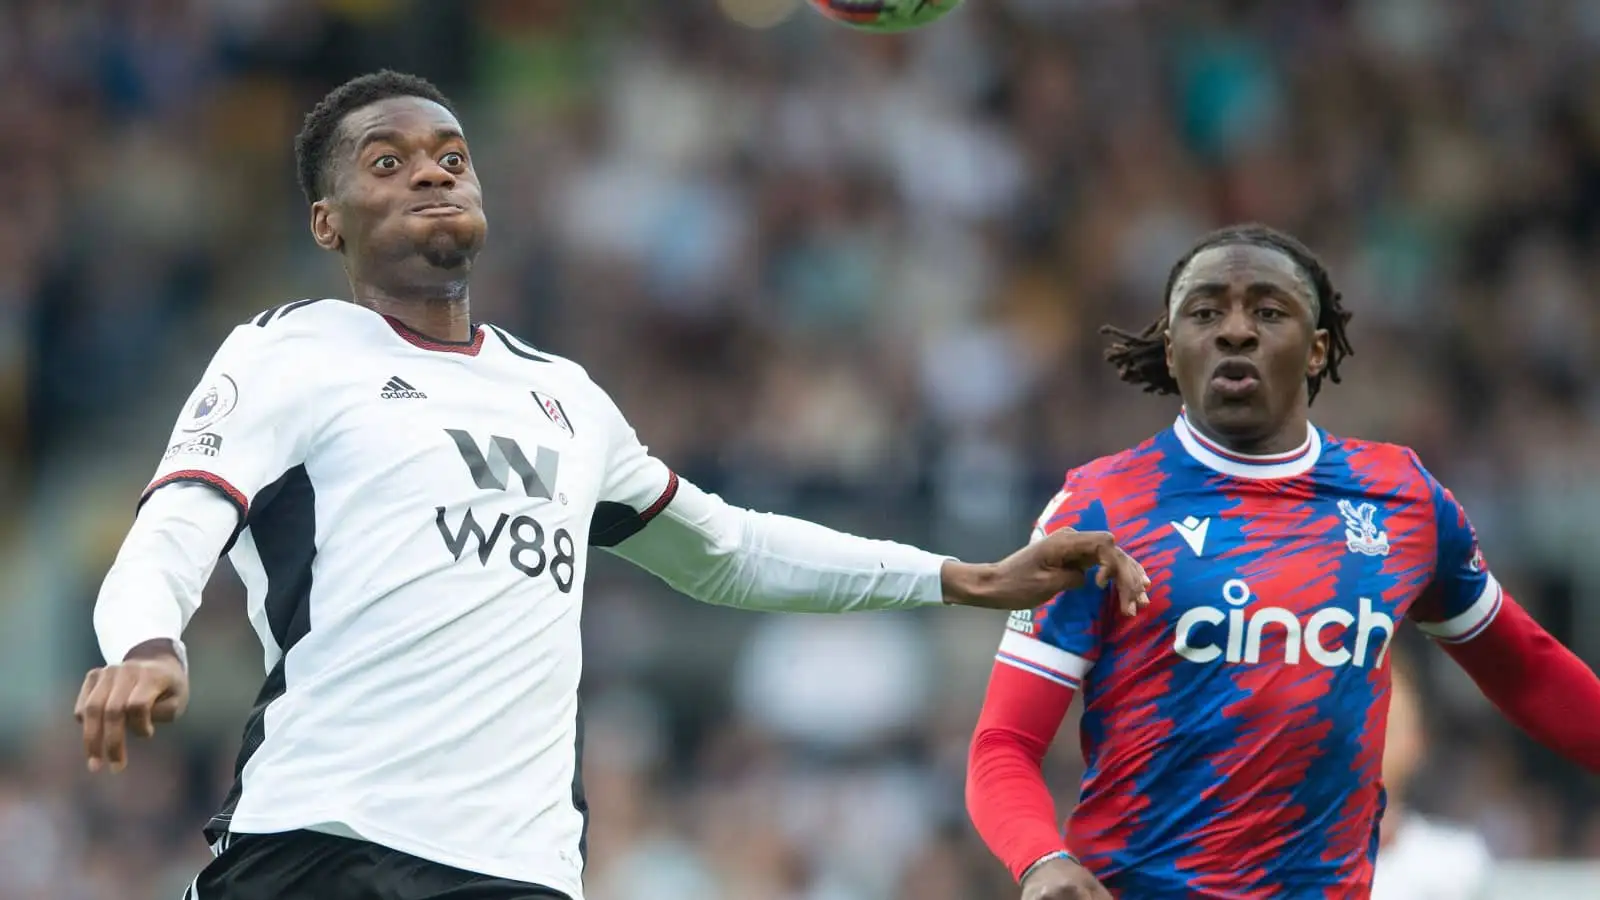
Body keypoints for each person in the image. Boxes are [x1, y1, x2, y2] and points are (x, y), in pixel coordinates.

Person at [73, 71, 1151, 900]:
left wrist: (956, 577)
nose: (433, 173)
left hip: (517, 863)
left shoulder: (567, 399)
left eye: (451, 155)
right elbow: (177, 518)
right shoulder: (295, 349)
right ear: (328, 222)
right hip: (321, 840)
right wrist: (147, 644)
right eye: (387, 163)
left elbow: (723, 551)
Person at [964, 223, 1600, 899]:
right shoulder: (1099, 509)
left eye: (1268, 311)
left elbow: (1526, 669)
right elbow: (1003, 744)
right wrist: (1040, 859)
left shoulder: (1402, 498)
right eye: (1205, 312)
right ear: (1173, 348)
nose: (1235, 330)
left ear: (1318, 348)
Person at [1371, 653, 1492, 900]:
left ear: (1417, 741)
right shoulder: (1287, 859)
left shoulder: (1455, 864)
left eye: (1384, 728)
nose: (1365, 746)